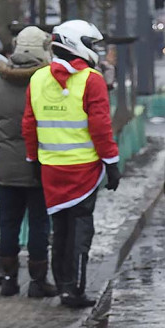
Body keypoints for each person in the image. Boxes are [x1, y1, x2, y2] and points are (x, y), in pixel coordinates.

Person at [22, 19, 121, 309]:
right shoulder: (92, 79)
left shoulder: (38, 78)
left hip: (51, 169)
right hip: (84, 170)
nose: (94, 51)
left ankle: (64, 283)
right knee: (80, 230)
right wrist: (112, 163)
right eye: (91, 45)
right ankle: (74, 291)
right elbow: (100, 126)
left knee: (60, 229)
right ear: (76, 44)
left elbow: (29, 124)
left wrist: (32, 159)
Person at [0, 26, 58, 298]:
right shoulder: (46, 81)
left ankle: (8, 280)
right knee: (39, 225)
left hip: (5, 165)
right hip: (38, 164)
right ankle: (38, 282)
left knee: (8, 224)